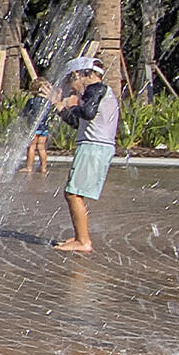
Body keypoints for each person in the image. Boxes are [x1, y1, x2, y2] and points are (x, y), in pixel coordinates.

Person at [51, 55, 117, 251]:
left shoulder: (95, 88)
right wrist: (60, 107)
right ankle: (80, 236)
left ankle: (83, 241)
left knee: (73, 194)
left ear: (77, 75)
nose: (72, 89)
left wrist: (72, 104)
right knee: (73, 193)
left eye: (71, 83)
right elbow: (76, 122)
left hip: (95, 147)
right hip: (93, 146)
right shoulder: (96, 92)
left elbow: (87, 113)